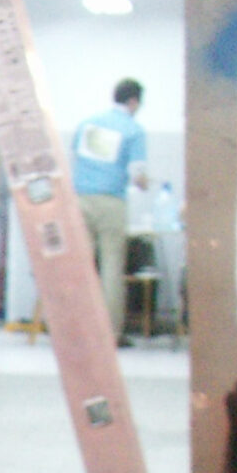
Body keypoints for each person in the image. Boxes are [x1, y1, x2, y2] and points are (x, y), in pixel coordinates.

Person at [70, 77, 149, 344]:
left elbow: (75, 158)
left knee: (81, 266)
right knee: (111, 268)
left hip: (80, 200)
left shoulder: (88, 124)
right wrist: (144, 183)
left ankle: (76, 330)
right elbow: (137, 175)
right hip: (111, 202)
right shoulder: (133, 130)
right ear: (133, 101)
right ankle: (110, 334)